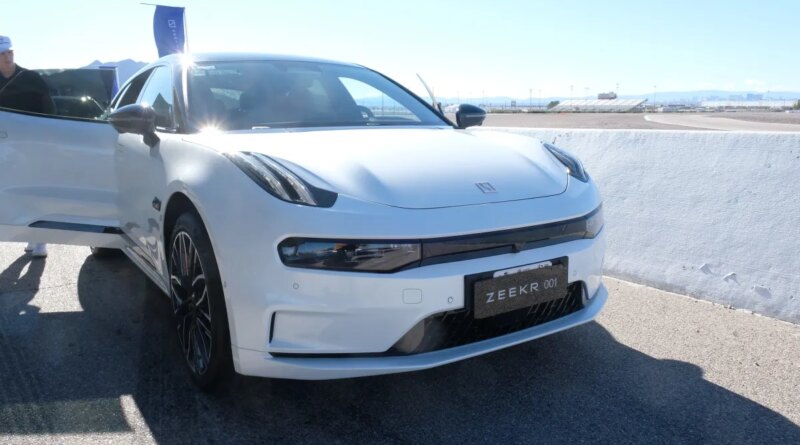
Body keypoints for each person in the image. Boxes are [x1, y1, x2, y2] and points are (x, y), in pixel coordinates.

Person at [0, 35, 54, 258]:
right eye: (2, 53)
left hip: (31, 146)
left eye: (9, 52)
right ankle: (24, 232)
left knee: (33, 191)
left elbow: (49, 110)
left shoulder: (31, 78)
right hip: (4, 146)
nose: (7, 56)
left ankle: (40, 238)